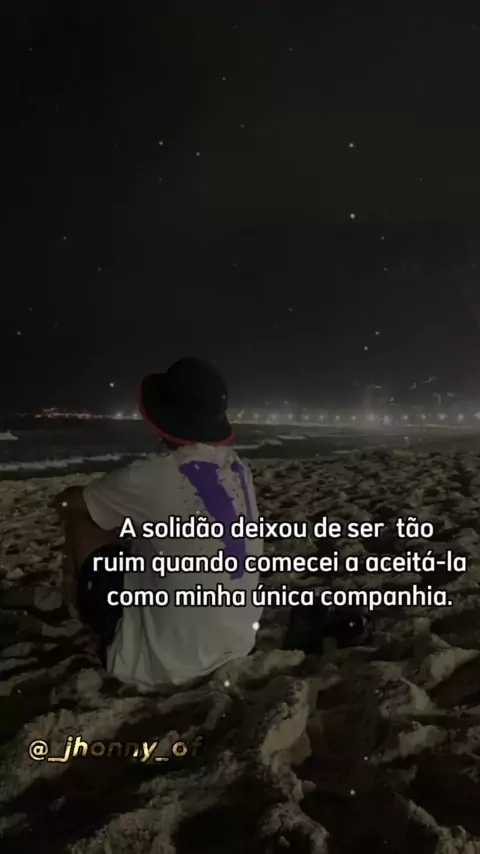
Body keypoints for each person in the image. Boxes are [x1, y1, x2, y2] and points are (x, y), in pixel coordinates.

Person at [54, 358, 263, 689]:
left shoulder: (152, 475)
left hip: (166, 667)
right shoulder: (239, 468)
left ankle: (79, 606)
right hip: (236, 643)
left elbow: (67, 502)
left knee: (81, 517)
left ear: (160, 419)